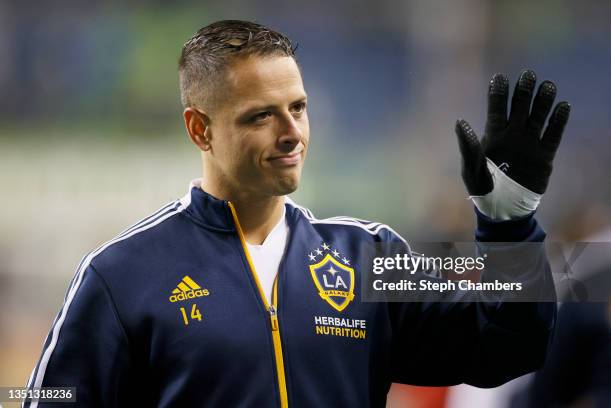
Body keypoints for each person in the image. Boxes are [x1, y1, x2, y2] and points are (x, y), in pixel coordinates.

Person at [24, 20, 570, 407]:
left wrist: (509, 227)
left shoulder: (369, 255)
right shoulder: (120, 275)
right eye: (261, 115)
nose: (292, 134)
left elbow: (508, 347)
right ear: (200, 129)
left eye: (298, 108)